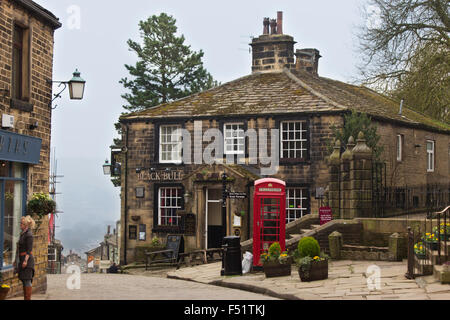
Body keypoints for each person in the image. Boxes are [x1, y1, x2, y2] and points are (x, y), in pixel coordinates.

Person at [14, 216, 36, 300]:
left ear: (26, 225)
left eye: (22, 224)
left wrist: (25, 261)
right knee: (24, 280)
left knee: (27, 280)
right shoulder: (23, 233)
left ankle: (27, 299)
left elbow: (29, 250)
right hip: (22, 259)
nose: (20, 225)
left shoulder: (29, 235)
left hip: (27, 261)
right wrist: (16, 260)